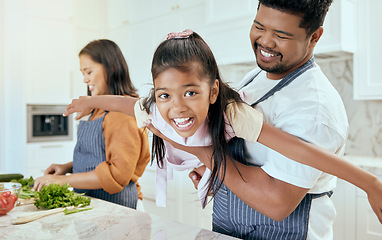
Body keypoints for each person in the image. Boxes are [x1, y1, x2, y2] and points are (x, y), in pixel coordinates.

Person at [63, 29, 382, 239]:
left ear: (213, 90)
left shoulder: (233, 115)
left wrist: (369, 183)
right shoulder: (156, 108)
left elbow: (301, 150)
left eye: (190, 93)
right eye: (165, 95)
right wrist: (89, 101)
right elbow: (127, 103)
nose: (177, 108)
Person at [33, 39, 151, 210]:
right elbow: (100, 157)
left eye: (88, 72)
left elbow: (117, 174)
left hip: (118, 206)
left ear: (110, 68)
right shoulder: (98, 110)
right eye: (83, 73)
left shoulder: (122, 113)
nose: (85, 80)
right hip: (93, 203)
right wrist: (67, 167)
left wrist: (63, 180)